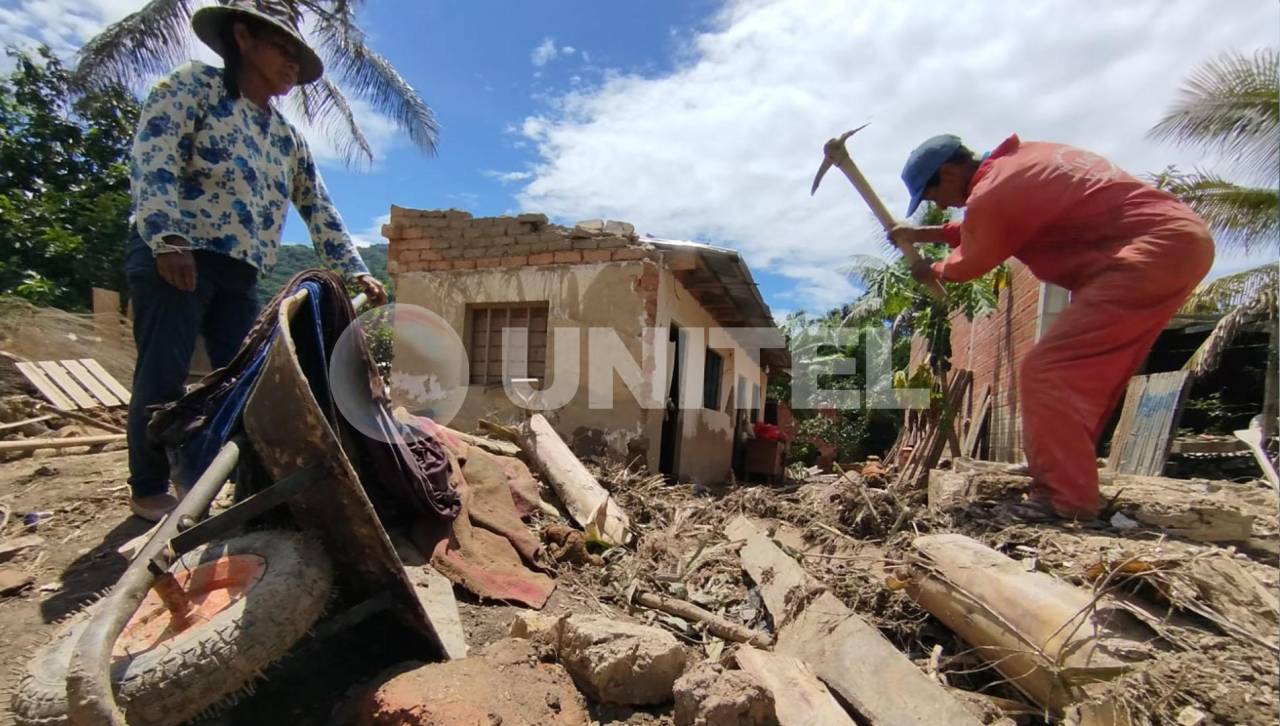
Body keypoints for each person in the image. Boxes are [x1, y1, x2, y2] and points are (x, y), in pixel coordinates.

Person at [124, 0, 387, 521]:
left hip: (242, 274)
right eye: (284, 51)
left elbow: (319, 207)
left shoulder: (286, 139)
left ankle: (220, 486)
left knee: (244, 384)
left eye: (297, 57)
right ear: (243, 38)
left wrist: (355, 268)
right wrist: (168, 238)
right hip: (180, 257)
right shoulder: (194, 88)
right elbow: (154, 157)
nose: (293, 66)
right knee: (164, 374)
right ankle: (148, 486)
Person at [890, 134, 1214, 520]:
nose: (940, 204)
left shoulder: (995, 190)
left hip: (1145, 252)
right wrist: (921, 235)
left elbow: (971, 259)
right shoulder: (1024, 162)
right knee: (1086, 377)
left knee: (1047, 371)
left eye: (933, 194)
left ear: (948, 171)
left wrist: (930, 268)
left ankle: (1065, 499)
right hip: (1172, 243)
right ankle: (1066, 479)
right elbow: (984, 222)